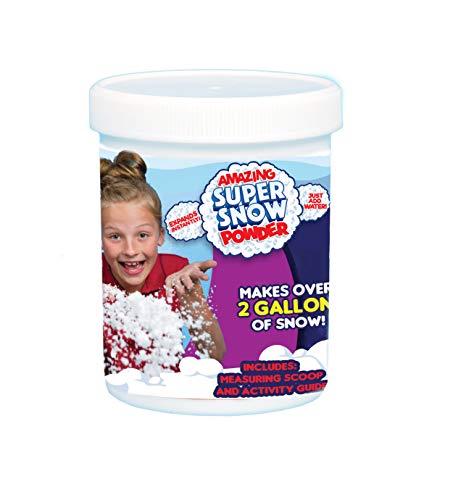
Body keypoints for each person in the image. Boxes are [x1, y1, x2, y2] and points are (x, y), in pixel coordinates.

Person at [101, 150, 226, 375]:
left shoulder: (175, 272)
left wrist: (193, 300)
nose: (130, 250)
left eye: (142, 235)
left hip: (166, 387)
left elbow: (214, 354)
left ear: (160, 236)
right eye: (115, 236)